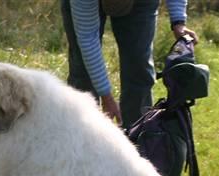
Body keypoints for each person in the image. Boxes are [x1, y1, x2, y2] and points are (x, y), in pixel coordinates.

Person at [61, 0, 198, 127]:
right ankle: (82, 136)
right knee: (83, 72)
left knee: (139, 69)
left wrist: (178, 21)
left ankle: (138, 138)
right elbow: (87, 39)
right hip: (82, 5)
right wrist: (106, 96)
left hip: (141, 4)